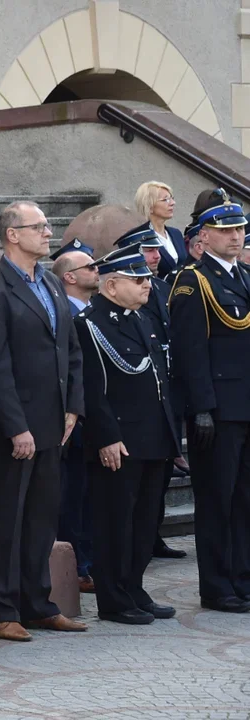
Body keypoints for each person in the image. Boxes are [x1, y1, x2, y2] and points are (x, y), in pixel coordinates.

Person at [0, 200, 87, 641]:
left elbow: (70, 349)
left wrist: (73, 406)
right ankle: (1, 608)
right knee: (5, 519)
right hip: (12, 430)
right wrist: (17, 427)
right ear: (12, 234)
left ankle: (39, 603)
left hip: (54, 423)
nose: (48, 233)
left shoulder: (51, 284)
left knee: (41, 517)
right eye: (38, 227)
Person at [75, 243, 179, 624]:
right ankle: (114, 598)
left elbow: (160, 381)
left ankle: (134, 587)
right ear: (113, 285)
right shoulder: (89, 323)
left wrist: (171, 434)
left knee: (145, 521)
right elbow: (91, 387)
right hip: (118, 441)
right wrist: (105, 436)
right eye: (138, 280)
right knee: (115, 521)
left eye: (147, 279)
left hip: (153, 438)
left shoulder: (141, 318)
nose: (147, 285)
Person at [169, 188, 250, 613]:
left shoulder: (242, 277)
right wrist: (201, 407)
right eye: (226, 230)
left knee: (244, 499)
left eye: (239, 229)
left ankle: (243, 578)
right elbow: (190, 351)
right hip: (217, 410)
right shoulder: (192, 280)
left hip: (245, 406)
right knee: (217, 500)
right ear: (205, 236)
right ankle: (218, 586)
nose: (236, 237)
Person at [114, 223, 189, 561]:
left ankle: (152, 537)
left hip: (166, 390)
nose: (155, 256)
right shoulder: (126, 293)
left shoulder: (161, 286)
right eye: (147, 250)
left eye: (157, 249)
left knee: (158, 481)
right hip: (137, 400)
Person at [50, 238, 98, 593]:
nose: (97, 270)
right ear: (69, 277)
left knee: (86, 496)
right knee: (69, 497)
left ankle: (89, 559)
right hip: (69, 419)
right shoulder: (62, 312)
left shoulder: (93, 311)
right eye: (90, 268)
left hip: (93, 416)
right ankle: (77, 565)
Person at [134, 181, 185, 279]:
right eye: (165, 199)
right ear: (150, 206)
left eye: (171, 198)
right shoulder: (141, 237)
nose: (173, 203)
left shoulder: (176, 233)